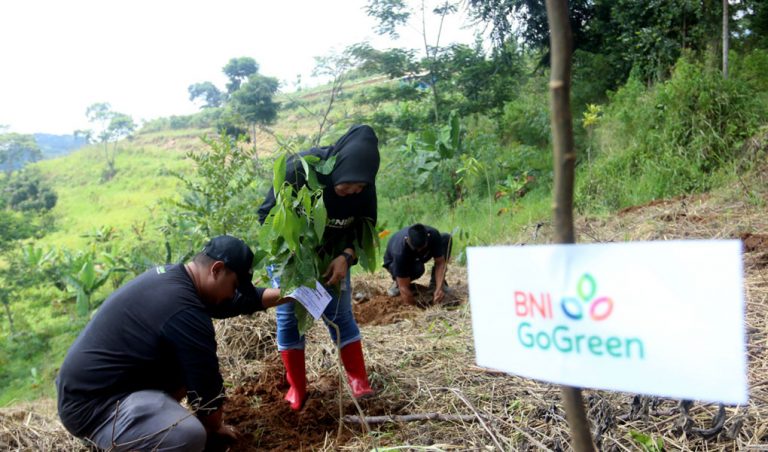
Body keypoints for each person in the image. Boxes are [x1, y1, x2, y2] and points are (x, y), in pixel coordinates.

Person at [56, 235, 287, 451]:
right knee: (188, 435)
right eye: (234, 286)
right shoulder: (184, 311)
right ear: (216, 270)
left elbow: (231, 302)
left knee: (183, 367)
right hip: (95, 410)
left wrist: (289, 294)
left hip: (96, 390)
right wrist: (215, 428)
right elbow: (206, 388)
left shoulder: (175, 279)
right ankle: (117, 437)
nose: (231, 294)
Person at [257, 124, 379, 410]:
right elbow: (266, 216)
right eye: (347, 186)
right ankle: (297, 388)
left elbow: (366, 226)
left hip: (332, 259)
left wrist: (346, 256)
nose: (353, 192)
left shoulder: (364, 188)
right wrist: (295, 252)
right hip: (292, 258)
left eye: (359, 188)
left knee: (340, 315)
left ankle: (359, 381)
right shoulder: (299, 171)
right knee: (289, 319)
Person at [383, 223, 452, 306]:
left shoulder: (433, 234)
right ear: (407, 240)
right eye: (416, 248)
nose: (419, 250)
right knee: (418, 269)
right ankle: (397, 281)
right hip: (394, 262)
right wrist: (415, 307)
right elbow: (403, 288)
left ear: (427, 237)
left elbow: (440, 263)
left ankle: (435, 284)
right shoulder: (400, 251)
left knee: (445, 238)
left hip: (418, 257)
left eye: (422, 248)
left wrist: (439, 288)